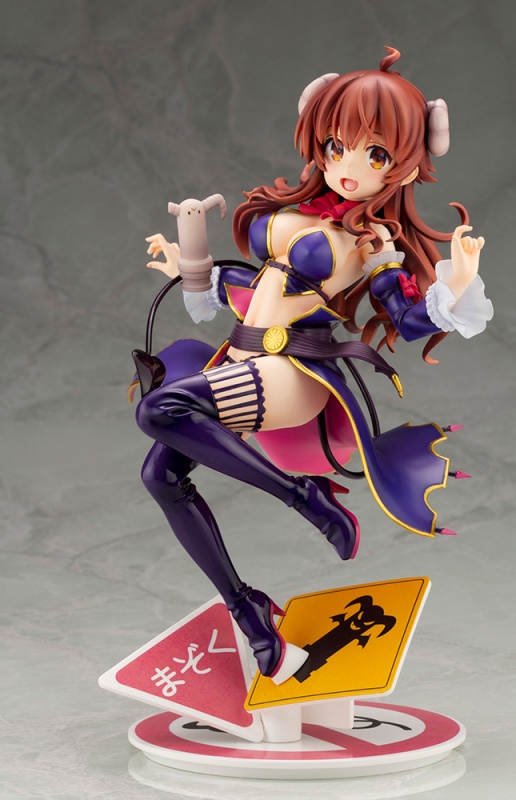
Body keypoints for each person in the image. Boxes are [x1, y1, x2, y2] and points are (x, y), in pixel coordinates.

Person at [134, 47, 493, 683]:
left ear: (407, 165)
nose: (349, 167)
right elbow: (227, 293)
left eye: (375, 155)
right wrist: (190, 251)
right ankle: (251, 614)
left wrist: (455, 289)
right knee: (160, 476)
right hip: (240, 354)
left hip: (289, 373)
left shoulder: (373, 244)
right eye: (337, 146)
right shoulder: (294, 211)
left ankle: (306, 499)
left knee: (159, 409)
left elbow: (408, 320)